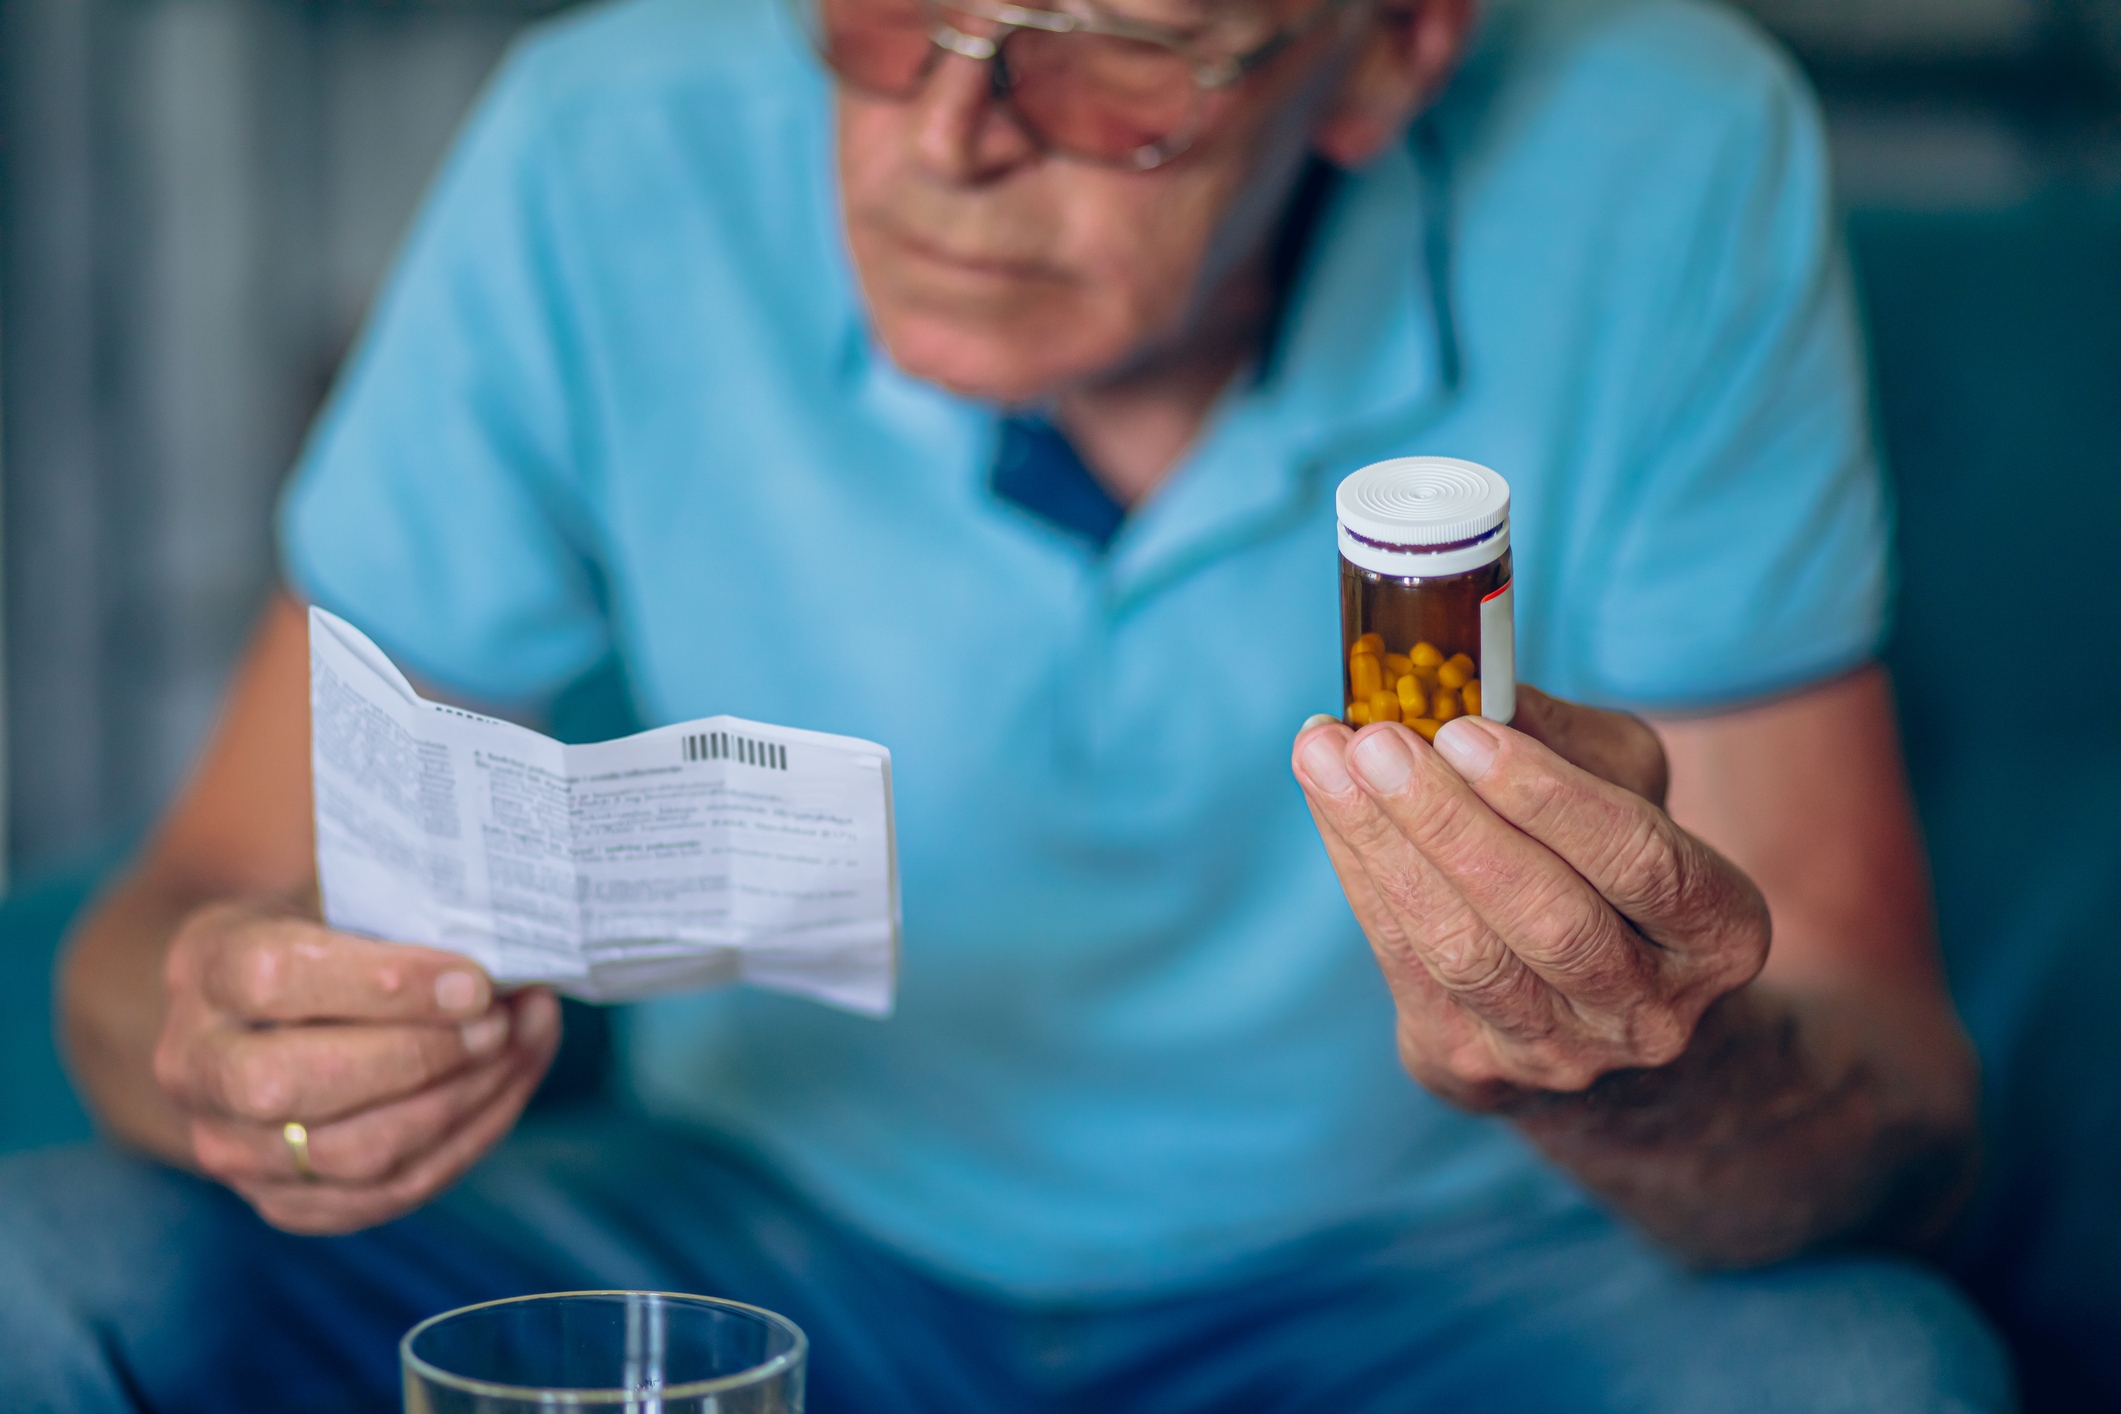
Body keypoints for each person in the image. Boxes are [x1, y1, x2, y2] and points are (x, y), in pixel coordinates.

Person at [0, 0, 2015, 1406]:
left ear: (1389, 43)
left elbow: (1894, 1108)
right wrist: (240, 1044)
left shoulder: (1662, 159)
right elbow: (178, 915)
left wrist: (1621, 1057)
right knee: (51, 1271)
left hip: (1433, 1277)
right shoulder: (602, 145)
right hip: (758, 1234)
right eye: (885, 14)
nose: (943, 141)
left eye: (1114, 46)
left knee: (1874, 1370)